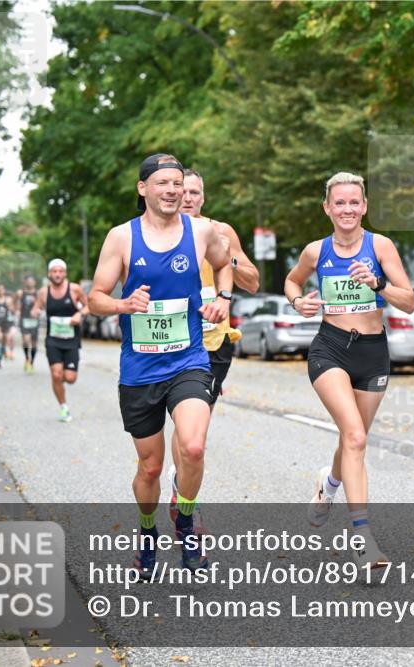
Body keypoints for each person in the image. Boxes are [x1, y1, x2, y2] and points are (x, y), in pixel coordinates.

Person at [88, 153, 232, 574]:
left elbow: (226, 265)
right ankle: (147, 529)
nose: (172, 191)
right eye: (163, 183)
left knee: (192, 445)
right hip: (140, 369)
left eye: (178, 184)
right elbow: (95, 297)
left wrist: (223, 298)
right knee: (149, 467)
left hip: (188, 360)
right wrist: (122, 303)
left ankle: (185, 519)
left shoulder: (202, 231)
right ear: (143, 189)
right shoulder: (122, 238)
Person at [285, 171, 414, 569]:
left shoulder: (381, 246)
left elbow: (408, 301)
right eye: (339, 202)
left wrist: (376, 283)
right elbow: (292, 282)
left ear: (365, 206)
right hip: (330, 349)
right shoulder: (315, 251)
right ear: (327, 208)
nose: (347, 209)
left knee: (353, 440)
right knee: (355, 435)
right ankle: (363, 539)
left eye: (354, 202)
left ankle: (329, 485)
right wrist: (298, 303)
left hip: (373, 352)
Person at [166, 167, 260, 527]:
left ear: (203, 197)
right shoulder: (161, 233)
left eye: (194, 193)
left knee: (195, 425)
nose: (188, 198)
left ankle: (180, 485)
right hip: (175, 341)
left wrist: (226, 255)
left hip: (214, 343)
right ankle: (185, 490)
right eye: (182, 191)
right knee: (185, 422)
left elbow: (253, 281)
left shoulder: (220, 231)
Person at [32, 260, 89, 422]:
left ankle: (59, 377)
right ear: (49, 274)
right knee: (57, 374)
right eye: (54, 271)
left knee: (70, 378)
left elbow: (88, 306)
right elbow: (36, 308)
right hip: (53, 340)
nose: (57, 274)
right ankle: (63, 407)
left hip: (71, 340)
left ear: (65, 273)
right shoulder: (44, 292)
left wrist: (80, 314)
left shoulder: (74, 289)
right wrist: (35, 311)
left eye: (60, 271)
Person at [18, 276, 40, 373]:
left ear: (34, 282)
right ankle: (27, 358)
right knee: (26, 340)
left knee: (34, 343)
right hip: (25, 319)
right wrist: (16, 310)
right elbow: (16, 303)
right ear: (26, 283)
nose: (30, 283)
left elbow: (42, 305)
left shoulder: (38, 293)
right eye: (28, 281)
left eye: (32, 281)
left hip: (34, 320)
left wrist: (39, 309)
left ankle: (31, 362)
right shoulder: (21, 293)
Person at [0, 285, 16, 368]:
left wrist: (12, 308)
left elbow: (13, 310)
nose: (0, 291)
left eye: (2, 289)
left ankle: (6, 350)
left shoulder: (8, 300)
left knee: (7, 338)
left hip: (7, 322)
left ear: (4, 290)